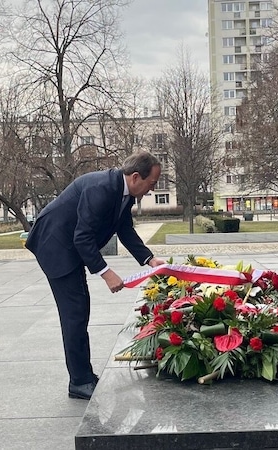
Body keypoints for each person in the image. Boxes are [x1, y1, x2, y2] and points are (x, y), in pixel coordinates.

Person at [26, 151, 166, 400]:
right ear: (136, 177)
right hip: (56, 245)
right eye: (152, 183)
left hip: (68, 245)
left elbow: (124, 229)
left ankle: (84, 376)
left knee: (80, 310)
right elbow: (82, 237)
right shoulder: (102, 188)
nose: (151, 190)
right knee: (75, 313)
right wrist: (106, 272)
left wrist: (148, 258)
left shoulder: (122, 192)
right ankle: (79, 382)